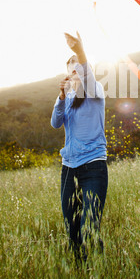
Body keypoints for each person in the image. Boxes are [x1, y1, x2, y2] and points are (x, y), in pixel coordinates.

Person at [51, 31, 108, 263]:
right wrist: (61, 96)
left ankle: (99, 273)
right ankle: (81, 274)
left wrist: (80, 52)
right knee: (72, 229)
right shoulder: (67, 99)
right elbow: (55, 124)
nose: (74, 72)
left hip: (93, 167)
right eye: (70, 70)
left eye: (78, 69)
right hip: (69, 169)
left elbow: (88, 75)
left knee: (89, 225)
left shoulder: (95, 91)